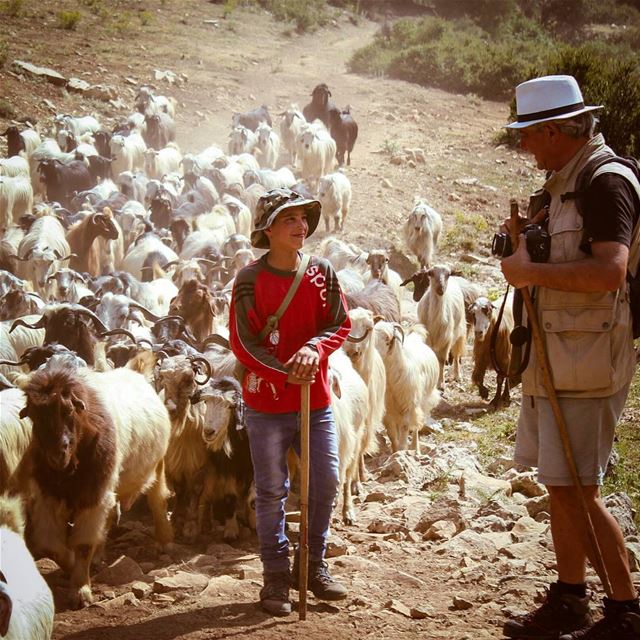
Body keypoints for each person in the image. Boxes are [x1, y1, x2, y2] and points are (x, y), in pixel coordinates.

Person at [500, 74, 640, 640]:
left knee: (580, 487)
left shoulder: (605, 183)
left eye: (529, 137)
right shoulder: (563, 184)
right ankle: (570, 598)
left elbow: (610, 271)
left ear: (557, 130)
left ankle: (626, 611)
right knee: (562, 484)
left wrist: (531, 271)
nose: (524, 148)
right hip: (558, 352)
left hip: (588, 356)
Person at [229, 187, 351, 617]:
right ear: (268, 230)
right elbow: (243, 344)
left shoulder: (321, 273)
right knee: (271, 491)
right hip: (266, 405)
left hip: (314, 401)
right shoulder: (248, 280)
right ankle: (276, 576)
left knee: (326, 480)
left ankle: (313, 565)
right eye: (290, 220)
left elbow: (340, 323)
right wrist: (285, 373)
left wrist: (314, 350)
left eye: (304, 219)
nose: (301, 226)